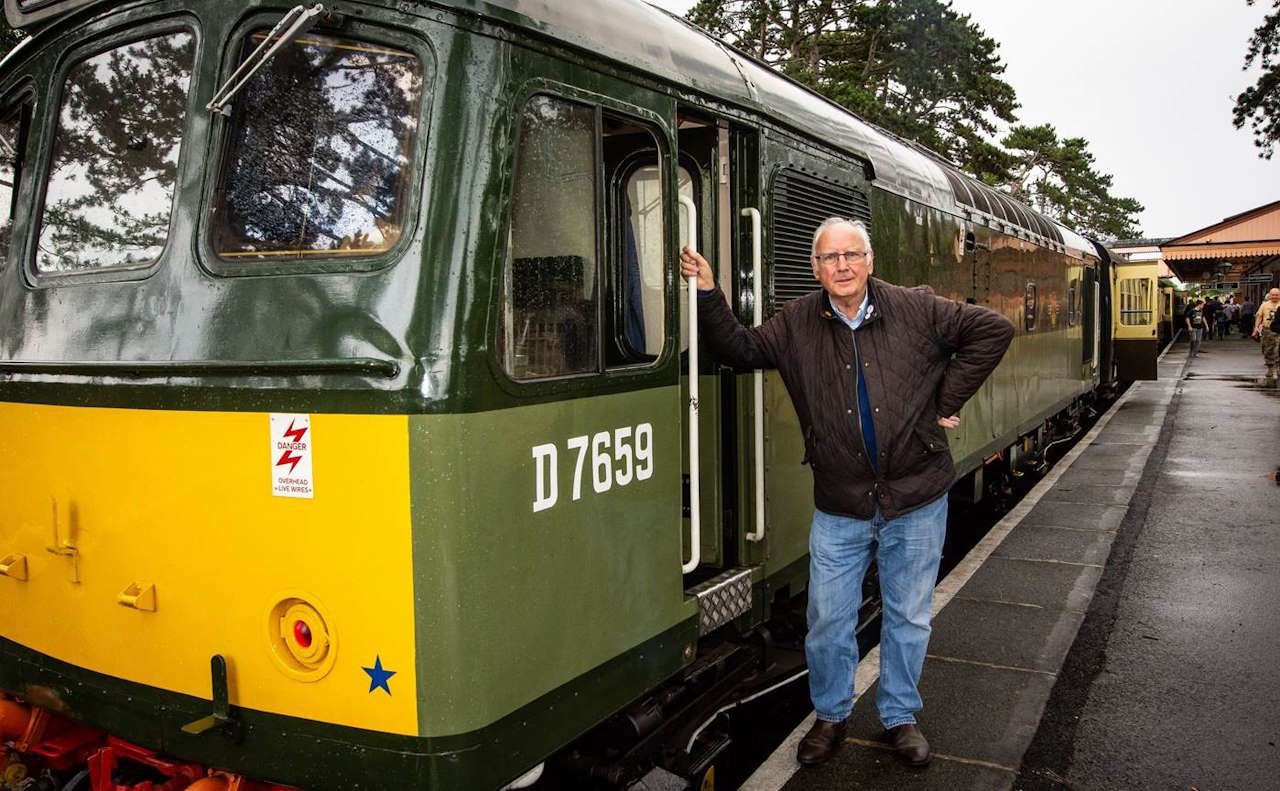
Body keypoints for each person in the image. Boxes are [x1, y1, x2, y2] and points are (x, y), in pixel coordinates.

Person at [679, 218, 1013, 769]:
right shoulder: (797, 322)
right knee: (829, 620)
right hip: (842, 503)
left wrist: (943, 402)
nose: (842, 266)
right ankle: (831, 715)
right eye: (829, 258)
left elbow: (993, 330)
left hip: (916, 496)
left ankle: (900, 715)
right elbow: (739, 350)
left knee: (908, 616)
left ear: (870, 260)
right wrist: (711, 293)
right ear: (816, 268)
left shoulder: (916, 307)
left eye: (851, 255)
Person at [1252, 287, 1280, 382]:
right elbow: (1259, 316)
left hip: (1279, 330)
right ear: (1269, 295)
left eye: (1277, 295)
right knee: (1268, 349)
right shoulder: (1264, 305)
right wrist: (1256, 329)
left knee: (1279, 349)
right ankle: (1270, 368)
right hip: (1268, 331)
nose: (1275, 296)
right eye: (1273, 295)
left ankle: (1278, 367)